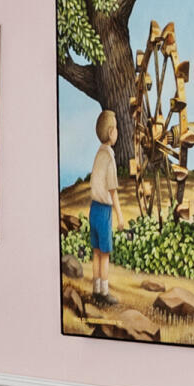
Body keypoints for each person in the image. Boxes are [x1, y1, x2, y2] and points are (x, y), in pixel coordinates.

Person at [86, 110, 121, 302]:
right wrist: (121, 217)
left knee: (96, 252)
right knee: (105, 254)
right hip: (105, 210)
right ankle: (104, 292)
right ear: (110, 132)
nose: (117, 132)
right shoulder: (110, 158)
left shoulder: (98, 155)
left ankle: (95, 289)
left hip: (93, 209)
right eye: (116, 129)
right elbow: (113, 191)